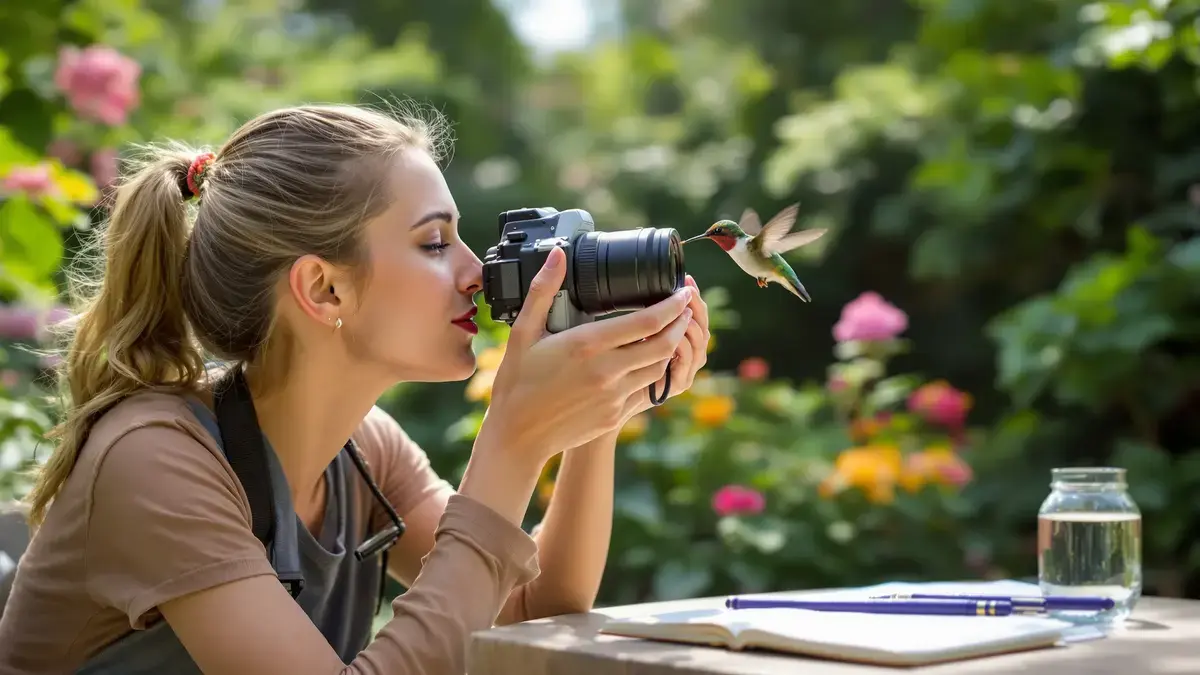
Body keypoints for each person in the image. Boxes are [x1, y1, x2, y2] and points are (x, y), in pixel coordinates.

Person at [0, 103, 710, 674]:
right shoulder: (154, 460)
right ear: (323, 287)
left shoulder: (363, 452)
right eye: (435, 243)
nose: (474, 270)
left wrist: (605, 400)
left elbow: (535, 606)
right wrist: (512, 443)